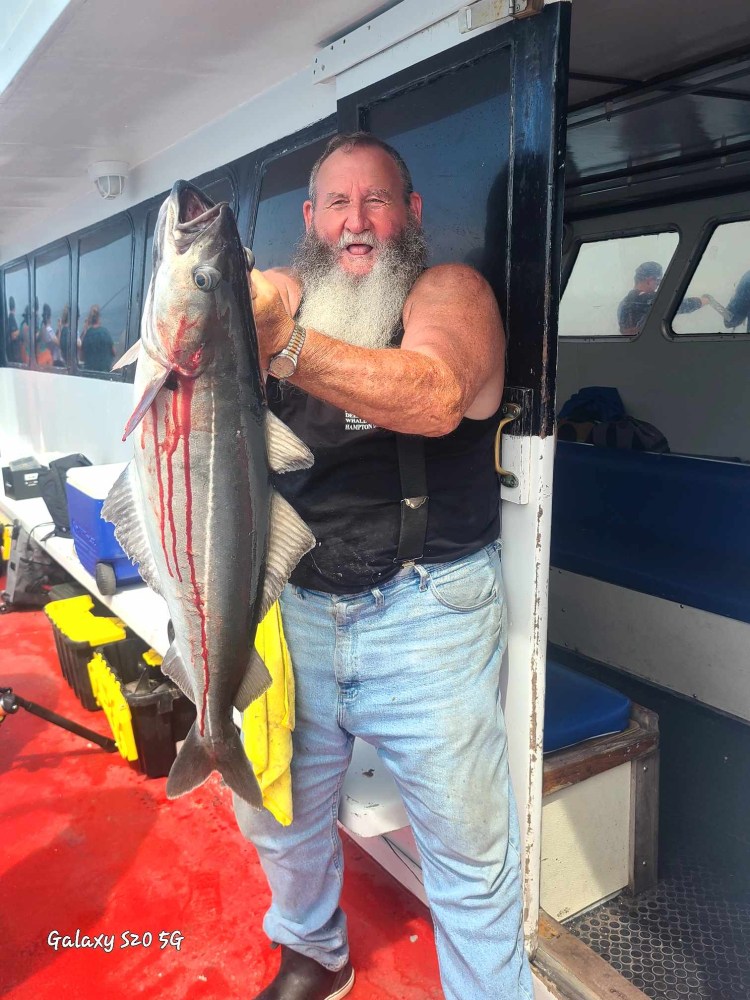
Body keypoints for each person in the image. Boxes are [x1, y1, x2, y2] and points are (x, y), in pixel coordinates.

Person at [235, 132, 532, 1000]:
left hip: (426, 615)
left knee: (469, 854)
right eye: (336, 203)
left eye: (375, 201)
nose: (355, 222)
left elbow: (438, 395)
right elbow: (263, 303)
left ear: (410, 213)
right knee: (278, 814)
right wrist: (239, 313)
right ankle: (313, 951)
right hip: (294, 614)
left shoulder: (451, 291)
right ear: (310, 219)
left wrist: (283, 342)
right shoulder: (286, 298)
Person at [617, 260, 709, 336]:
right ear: (649, 280)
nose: (657, 287)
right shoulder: (646, 300)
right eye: (657, 282)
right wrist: (704, 300)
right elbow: (680, 305)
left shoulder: (623, 303)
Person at [78, 304, 115, 372]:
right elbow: (113, 352)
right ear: (99, 318)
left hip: (89, 373)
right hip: (104, 373)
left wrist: (85, 330)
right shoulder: (105, 332)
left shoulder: (87, 335)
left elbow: (81, 357)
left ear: (90, 320)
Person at [5, 296, 21, 363]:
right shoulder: (12, 318)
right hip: (13, 354)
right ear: (14, 308)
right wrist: (20, 331)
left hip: (10, 351)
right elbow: (13, 335)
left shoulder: (8, 319)